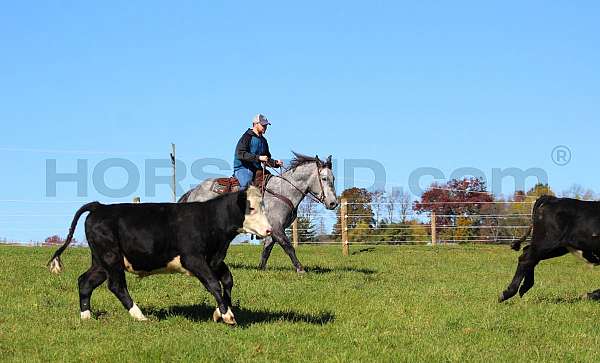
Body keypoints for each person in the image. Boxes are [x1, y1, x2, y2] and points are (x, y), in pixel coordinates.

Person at [233, 114, 284, 190]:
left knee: (272, 183)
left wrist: (275, 163)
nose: (265, 127)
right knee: (246, 186)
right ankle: (240, 202)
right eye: (263, 125)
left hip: (257, 169)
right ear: (255, 124)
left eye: (266, 125)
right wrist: (259, 158)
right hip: (243, 168)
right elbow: (240, 154)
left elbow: (266, 158)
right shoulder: (247, 137)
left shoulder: (263, 141)